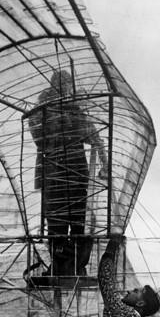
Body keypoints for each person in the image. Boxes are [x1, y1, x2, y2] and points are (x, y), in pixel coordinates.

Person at [28, 70, 106, 276]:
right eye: (65, 85)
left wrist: (105, 163)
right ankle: (61, 266)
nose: (68, 89)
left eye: (69, 85)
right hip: (54, 172)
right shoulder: (43, 109)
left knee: (78, 223)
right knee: (57, 223)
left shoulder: (74, 110)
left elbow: (95, 138)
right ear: (57, 86)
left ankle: (76, 267)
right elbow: (39, 135)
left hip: (74, 173)